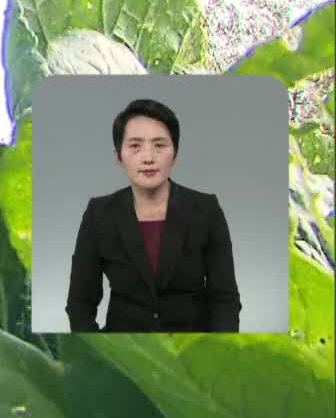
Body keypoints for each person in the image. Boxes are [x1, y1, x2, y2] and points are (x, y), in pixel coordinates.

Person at [66, 99, 241, 332]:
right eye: (135, 146)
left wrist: (217, 352)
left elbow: (225, 298)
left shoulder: (206, 209)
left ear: (175, 155)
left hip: (192, 351)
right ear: (118, 156)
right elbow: (80, 302)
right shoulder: (99, 214)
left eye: (159, 146)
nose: (148, 157)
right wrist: (100, 355)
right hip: (125, 353)